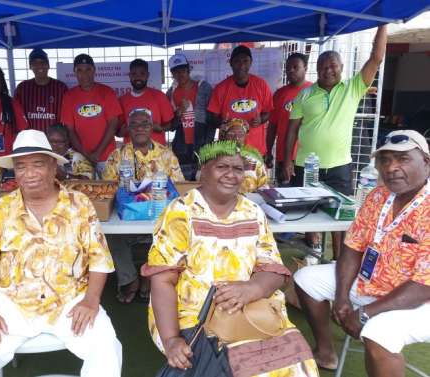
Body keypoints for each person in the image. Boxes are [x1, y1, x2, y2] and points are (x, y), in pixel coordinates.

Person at [0, 130, 122, 377]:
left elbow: (99, 260)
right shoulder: (0, 210)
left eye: (37, 164)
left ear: (53, 166)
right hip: (11, 304)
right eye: (21, 167)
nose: (29, 174)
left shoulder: (79, 205)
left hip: (70, 300)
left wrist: (90, 301)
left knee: (107, 352)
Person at [142, 140, 318, 376]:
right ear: (203, 172)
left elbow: (274, 269)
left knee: (296, 365)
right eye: (222, 167)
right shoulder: (181, 211)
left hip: (252, 306)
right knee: (226, 364)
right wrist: (172, 338)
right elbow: (162, 280)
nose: (231, 175)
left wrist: (252, 288)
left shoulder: (252, 212)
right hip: (193, 313)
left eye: (237, 169)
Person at [293, 130, 430, 375]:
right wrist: (342, 296)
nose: (391, 168)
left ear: (426, 163)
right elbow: (352, 248)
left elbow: (422, 286)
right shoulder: (378, 196)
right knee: (306, 279)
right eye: (385, 160)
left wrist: (365, 313)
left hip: (421, 302)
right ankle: (326, 353)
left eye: (403, 159)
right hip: (372, 283)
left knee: (378, 332)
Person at [283, 25, 387, 259]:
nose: (328, 70)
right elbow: (292, 130)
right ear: (316, 70)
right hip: (307, 167)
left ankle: (339, 261)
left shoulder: (352, 88)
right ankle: (314, 250)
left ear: (341, 67)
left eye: (333, 66)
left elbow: (376, 57)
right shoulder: (304, 95)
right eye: (323, 67)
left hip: (339, 167)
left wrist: (383, 23)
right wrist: (287, 160)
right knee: (309, 216)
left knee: (341, 219)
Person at [103, 109, 184, 304]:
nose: (140, 128)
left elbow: (179, 187)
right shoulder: (118, 155)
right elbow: (107, 190)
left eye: (145, 124)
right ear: (128, 129)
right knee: (110, 235)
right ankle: (130, 279)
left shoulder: (166, 154)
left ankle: (149, 277)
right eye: (135, 125)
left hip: (158, 216)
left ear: (152, 128)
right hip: (127, 218)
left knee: (170, 230)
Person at [61, 54, 122, 178]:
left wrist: (97, 153)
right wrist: (86, 154)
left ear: (94, 70)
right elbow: (69, 130)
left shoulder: (107, 92)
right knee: (84, 193)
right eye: (80, 70)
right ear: (74, 72)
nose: (84, 74)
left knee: (110, 192)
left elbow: (113, 124)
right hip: (80, 158)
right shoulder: (69, 96)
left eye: (88, 69)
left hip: (107, 157)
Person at [207, 45, 273, 156]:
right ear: (231, 63)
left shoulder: (261, 85)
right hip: (228, 151)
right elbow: (211, 117)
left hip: (255, 149)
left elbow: (268, 112)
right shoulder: (221, 88)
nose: (241, 65)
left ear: (251, 62)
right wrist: (223, 124)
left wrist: (260, 120)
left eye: (245, 61)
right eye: (237, 61)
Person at [166, 53, 214, 181]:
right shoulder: (171, 93)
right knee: (183, 184)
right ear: (172, 73)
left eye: (183, 70)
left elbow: (212, 120)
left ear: (188, 69)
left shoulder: (203, 87)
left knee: (204, 184)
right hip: (182, 147)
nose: (180, 74)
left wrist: (208, 145)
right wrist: (179, 112)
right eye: (176, 71)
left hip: (202, 143)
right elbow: (170, 126)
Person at [266, 53, 312, 180]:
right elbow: (272, 127)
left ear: (306, 68)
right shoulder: (279, 94)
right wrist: (268, 151)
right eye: (288, 68)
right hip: (284, 156)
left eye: (295, 67)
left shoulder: (314, 91)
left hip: (308, 157)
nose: (291, 70)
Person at [118, 58, 174, 145]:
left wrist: (160, 128)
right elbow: (118, 133)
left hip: (157, 153)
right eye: (134, 74)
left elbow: (171, 125)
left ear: (147, 75)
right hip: (131, 154)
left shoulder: (159, 96)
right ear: (129, 75)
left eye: (142, 73)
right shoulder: (122, 100)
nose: (138, 77)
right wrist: (124, 130)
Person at [14, 48, 68, 132]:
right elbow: (16, 116)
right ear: (30, 67)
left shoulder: (60, 87)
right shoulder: (22, 88)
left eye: (42, 62)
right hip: (31, 140)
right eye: (35, 63)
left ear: (48, 65)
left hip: (54, 141)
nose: (39, 65)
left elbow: (66, 117)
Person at [220, 118, 269, 193]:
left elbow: (264, 187)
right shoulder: (215, 160)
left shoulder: (255, 161)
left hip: (250, 201)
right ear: (224, 136)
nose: (236, 138)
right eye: (231, 134)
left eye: (240, 134)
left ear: (245, 137)